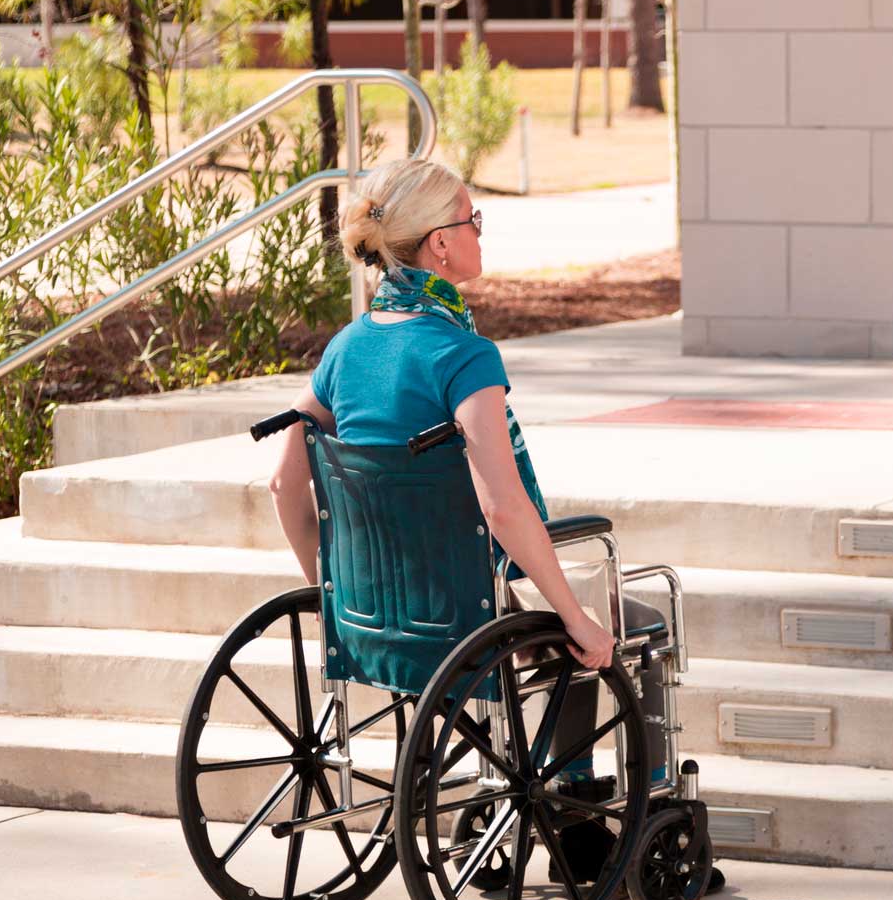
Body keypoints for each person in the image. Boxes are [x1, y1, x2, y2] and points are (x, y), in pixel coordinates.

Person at [266, 157, 669, 798]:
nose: (480, 232)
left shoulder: (344, 349)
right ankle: (590, 800)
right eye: (472, 220)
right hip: (465, 612)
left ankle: (553, 793)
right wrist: (575, 618)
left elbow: (286, 484)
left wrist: (331, 593)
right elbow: (503, 507)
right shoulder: (462, 355)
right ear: (442, 244)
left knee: (564, 620)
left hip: (376, 609)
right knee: (636, 623)